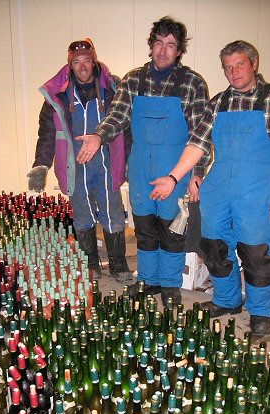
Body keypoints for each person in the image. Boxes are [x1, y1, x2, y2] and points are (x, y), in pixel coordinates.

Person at [151, 40, 270, 336]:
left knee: (256, 251)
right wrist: (176, 176)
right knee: (214, 246)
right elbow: (198, 145)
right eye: (228, 67)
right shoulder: (218, 102)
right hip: (219, 186)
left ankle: (260, 312)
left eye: (240, 65)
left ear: (254, 64)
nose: (234, 72)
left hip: (255, 187)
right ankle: (227, 299)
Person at [76, 17, 210, 306]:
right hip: (140, 169)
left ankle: (170, 284)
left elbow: (201, 131)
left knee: (172, 229)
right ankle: (149, 281)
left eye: (170, 45)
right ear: (151, 46)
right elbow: (118, 116)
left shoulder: (192, 83)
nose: (163, 51)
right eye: (159, 43)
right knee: (146, 228)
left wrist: (198, 172)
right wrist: (99, 136)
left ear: (178, 51)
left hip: (176, 168)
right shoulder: (133, 80)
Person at [27, 38, 133, 284]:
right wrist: (41, 164)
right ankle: (91, 263)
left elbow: (126, 127)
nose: (83, 67)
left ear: (94, 60)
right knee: (83, 215)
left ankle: (118, 264)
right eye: (76, 62)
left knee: (112, 213)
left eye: (87, 61)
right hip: (74, 166)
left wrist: (127, 160)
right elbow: (47, 133)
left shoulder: (112, 89)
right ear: (70, 65)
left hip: (106, 162)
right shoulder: (59, 95)